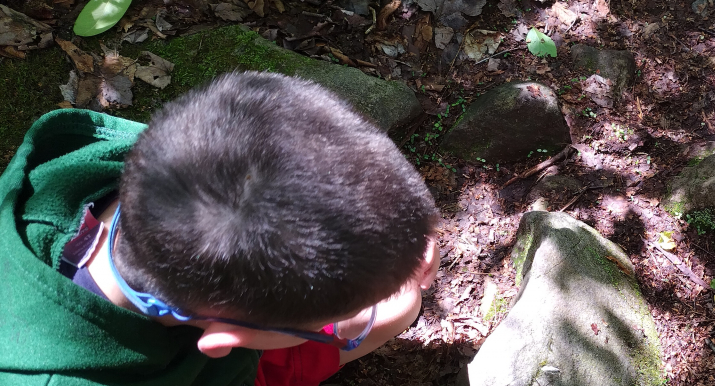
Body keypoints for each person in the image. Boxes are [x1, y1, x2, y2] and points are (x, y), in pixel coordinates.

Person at [0, 72, 442, 386]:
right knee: (402, 307)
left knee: (402, 298)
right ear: (227, 339)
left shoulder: (178, 160)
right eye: (336, 323)